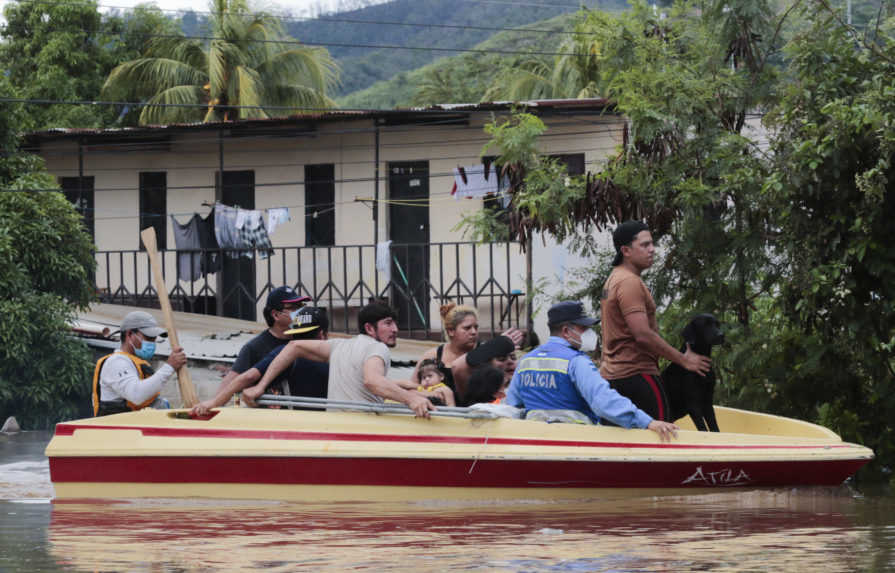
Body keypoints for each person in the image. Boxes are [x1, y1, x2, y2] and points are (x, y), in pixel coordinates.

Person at [504, 301, 679, 442]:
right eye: (583, 328)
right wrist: (647, 422)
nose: (589, 333)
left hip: (536, 444)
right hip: (577, 444)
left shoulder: (526, 361)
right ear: (566, 331)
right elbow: (604, 401)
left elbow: (512, 406)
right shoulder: (576, 362)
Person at [600, 221, 712, 421]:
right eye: (644, 245)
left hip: (613, 377)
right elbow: (642, 334)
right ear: (625, 250)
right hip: (638, 375)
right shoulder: (629, 282)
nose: (652, 250)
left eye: (652, 243)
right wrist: (683, 360)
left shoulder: (613, 279)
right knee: (661, 440)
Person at [242, 302, 435, 417]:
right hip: (362, 429)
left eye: (394, 323)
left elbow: (294, 347)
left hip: (334, 426)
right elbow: (372, 381)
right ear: (369, 328)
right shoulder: (379, 347)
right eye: (388, 323)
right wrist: (411, 399)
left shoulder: (341, 346)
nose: (395, 330)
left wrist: (261, 387)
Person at [190, 306, 330, 416]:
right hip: (332, 425)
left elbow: (248, 376)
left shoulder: (284, 352)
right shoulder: (337, 352)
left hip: (294, 424)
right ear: (322, 334)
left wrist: (215, 402)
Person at [412, 303, 523, 403]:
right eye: (467, 328)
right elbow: (413, 385)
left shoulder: (486, 353)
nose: (474, 332)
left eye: (476, 327)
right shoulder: (432, 355)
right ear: (451, 331)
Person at [214, 286, 310, 398]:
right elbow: (231, 386)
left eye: (300, 306)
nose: (300, 312)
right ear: (275, 315)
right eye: (293, 308)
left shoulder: (306, 340)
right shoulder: (254, 348)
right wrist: (233, 407)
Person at [92, 311, 187, 416]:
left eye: (154, 339)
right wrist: (170, 366)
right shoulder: (116, 362)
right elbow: (136, 395)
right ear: (129, 334)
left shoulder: (135, 363)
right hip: (116, 430)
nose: (152, 342)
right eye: (148, 338)